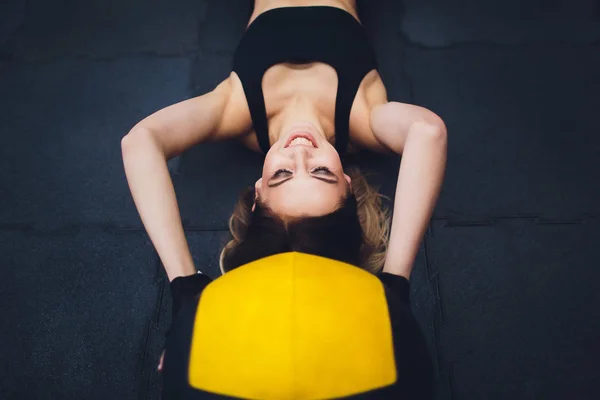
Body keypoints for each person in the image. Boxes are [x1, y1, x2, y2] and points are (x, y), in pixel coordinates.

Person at [121, 0, 447, 283]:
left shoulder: (238, 109)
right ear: (348, 184)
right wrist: (395, 282)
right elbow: (428, 131)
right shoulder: (362, 115)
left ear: (258, 189)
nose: (301, 153)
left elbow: (140, 141)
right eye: (321, 172)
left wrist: (183, 282)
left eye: (282, 174)